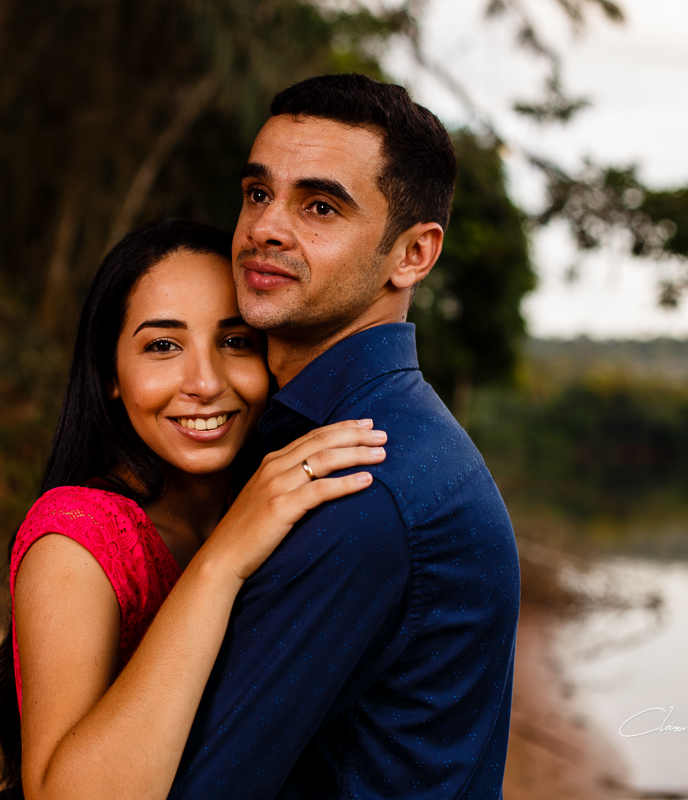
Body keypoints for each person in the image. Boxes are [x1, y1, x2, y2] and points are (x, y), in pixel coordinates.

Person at [166, 74, 521, 799]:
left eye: (320, 206)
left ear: (413, 255)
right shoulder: (307, 438)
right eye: (258, 193)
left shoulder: (359, 481)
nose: (265, 227)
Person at [0, 219, 388, 800]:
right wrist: (220, 564)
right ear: (111, 374)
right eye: (163, 346)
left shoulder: (283, 511)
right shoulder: (78, 541)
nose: (204, 382)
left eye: (235, 342)